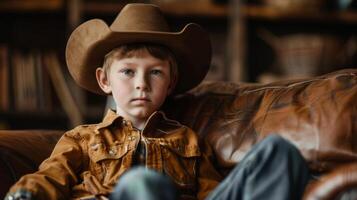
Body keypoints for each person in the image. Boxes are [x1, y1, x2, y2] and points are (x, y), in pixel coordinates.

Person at [5, 3, 312, 200]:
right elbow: (49, 178)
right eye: (128, 71)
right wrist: (25, 195)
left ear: (170, 83)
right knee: (143, 184)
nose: (141, 83)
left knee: (279, 151)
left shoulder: (189, 141)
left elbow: (211, 193)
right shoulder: (82, 139)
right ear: (104, 81)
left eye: (155, 72)